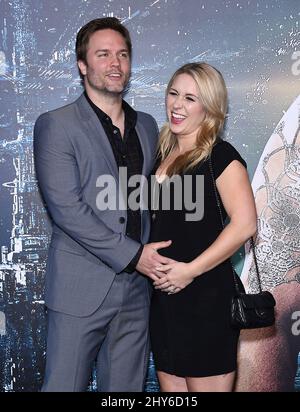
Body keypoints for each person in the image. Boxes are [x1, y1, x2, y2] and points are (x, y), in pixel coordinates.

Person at [34, 17, 172, 392]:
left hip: (136, 291)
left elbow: (148, 201)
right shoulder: (56, 124)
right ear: (82, 65)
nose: (116, 64)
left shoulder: (146, 125)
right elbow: (67, 210)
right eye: (104, 54)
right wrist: (135, 255)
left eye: (123, 55)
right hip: (81, 289)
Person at [148, 62, 257, 392]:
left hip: (205, 302)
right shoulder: (161, 154)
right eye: (173, 93)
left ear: (210, 107)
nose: (177, 105)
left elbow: (245, 224)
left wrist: (189, 270)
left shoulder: (221, 156)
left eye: (190, 98)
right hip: (165, 303)